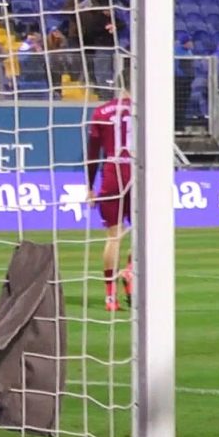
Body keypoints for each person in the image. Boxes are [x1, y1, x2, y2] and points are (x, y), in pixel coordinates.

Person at [85, 89, 134, 312]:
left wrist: (90, 186)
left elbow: (93, 153)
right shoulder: (144, 110)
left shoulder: (101, 112)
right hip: (138, 173)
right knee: (144, 232)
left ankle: (110, 297)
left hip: (112, 174)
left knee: (113, 236)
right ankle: (131, 270)